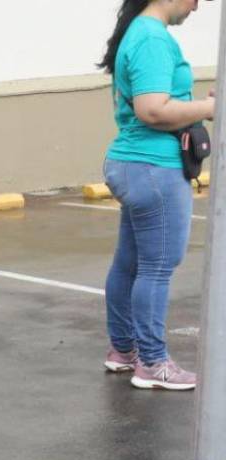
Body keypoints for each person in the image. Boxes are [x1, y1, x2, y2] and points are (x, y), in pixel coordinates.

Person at [100, 0, 213, 390]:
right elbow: (153, 109)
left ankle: (123, 351)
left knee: (130, 263)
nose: (198, 6)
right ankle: (152, 363)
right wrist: (211, 108)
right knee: (157, 267)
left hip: (134, 164)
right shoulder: (151, 37)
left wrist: (201, 106)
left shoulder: (139, 31)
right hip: (154, 168)